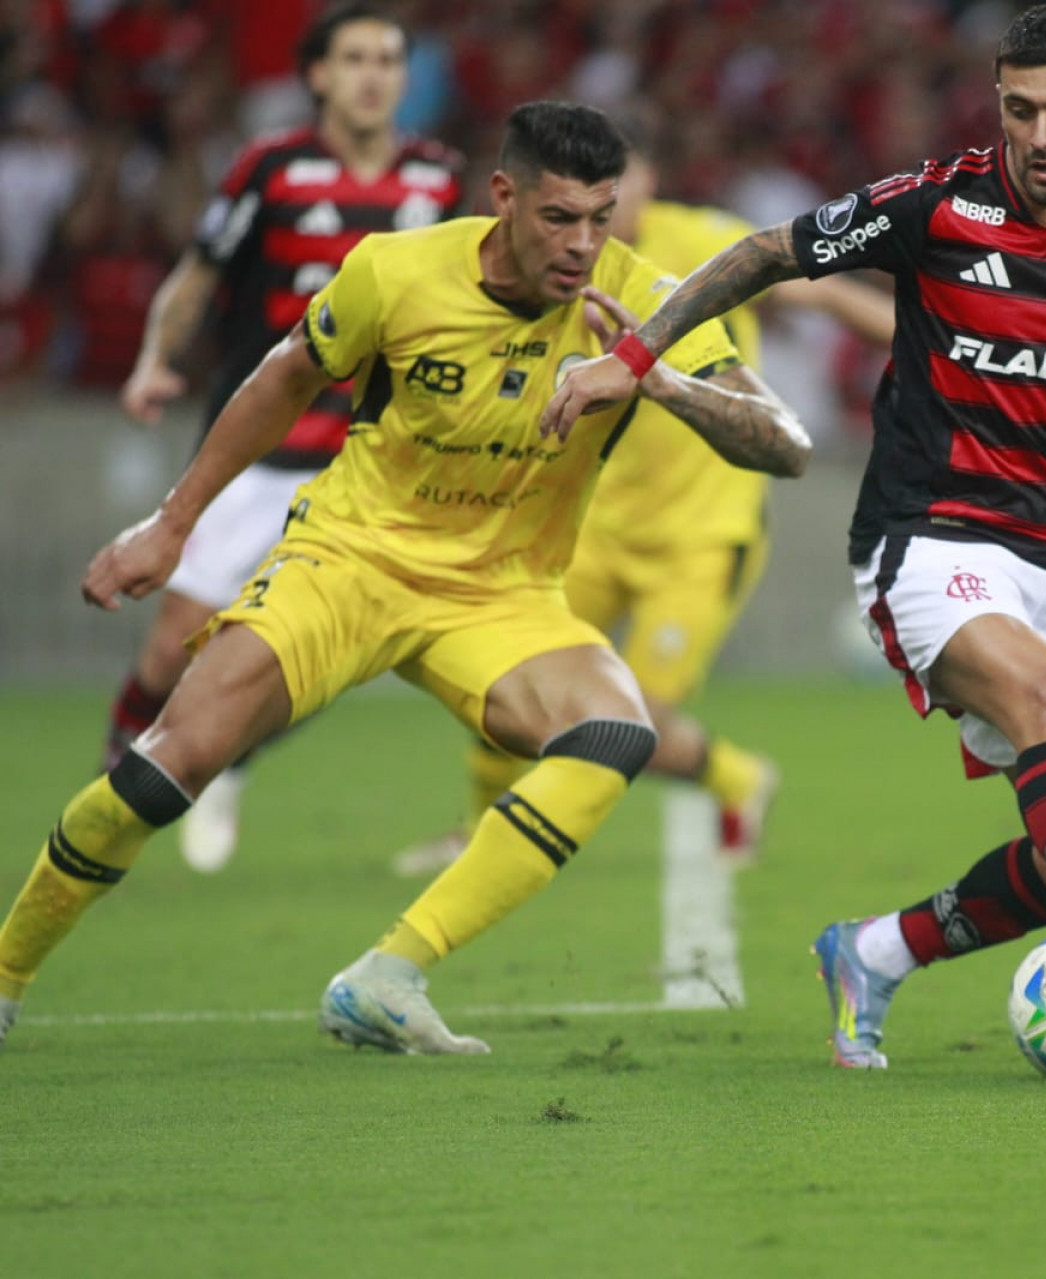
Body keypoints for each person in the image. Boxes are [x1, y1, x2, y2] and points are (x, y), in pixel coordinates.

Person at [544, 4, 1046, 1068]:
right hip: (925, 539)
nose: (1040, 136)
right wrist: (628, 362)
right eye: (1020, 110)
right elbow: (765, 254)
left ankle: (874, 952)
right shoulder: (939, 203)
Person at [0, 102, 811, 1056]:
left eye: (601, 216)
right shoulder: (397, 270)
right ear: (503, 197)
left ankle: (388, 974)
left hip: (501, 592)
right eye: (560, 217)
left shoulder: (642, 301)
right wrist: (172, 525)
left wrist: (659, 376)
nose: (584, 244)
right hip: (351, 559)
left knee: (613, 731)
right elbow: (283, 378)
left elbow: (788, 447)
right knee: (172, 758)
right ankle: (8, 971)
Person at [393, 117, 893, 875]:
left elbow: (820, 298)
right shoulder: (555, 262)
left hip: (700, 531)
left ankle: (736, 777)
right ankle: (473, 830)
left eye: (614, 192)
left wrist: (922, 338)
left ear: (648, 184)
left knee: (637, 714)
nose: (601, 210)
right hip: (599, 523)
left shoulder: (702, 242)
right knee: (507, 670)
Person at [112, 3, 464, 873]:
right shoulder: (271, 166)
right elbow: (198, 274)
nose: (374, 74)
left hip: (369, 462)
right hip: (259, 449)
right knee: (170, 649)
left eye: (388, 58)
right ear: (317, 75)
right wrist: (156, 358)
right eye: (355, 58)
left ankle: (229, 763)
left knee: (317, 657)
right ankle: (117, 784)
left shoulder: (442, 180)